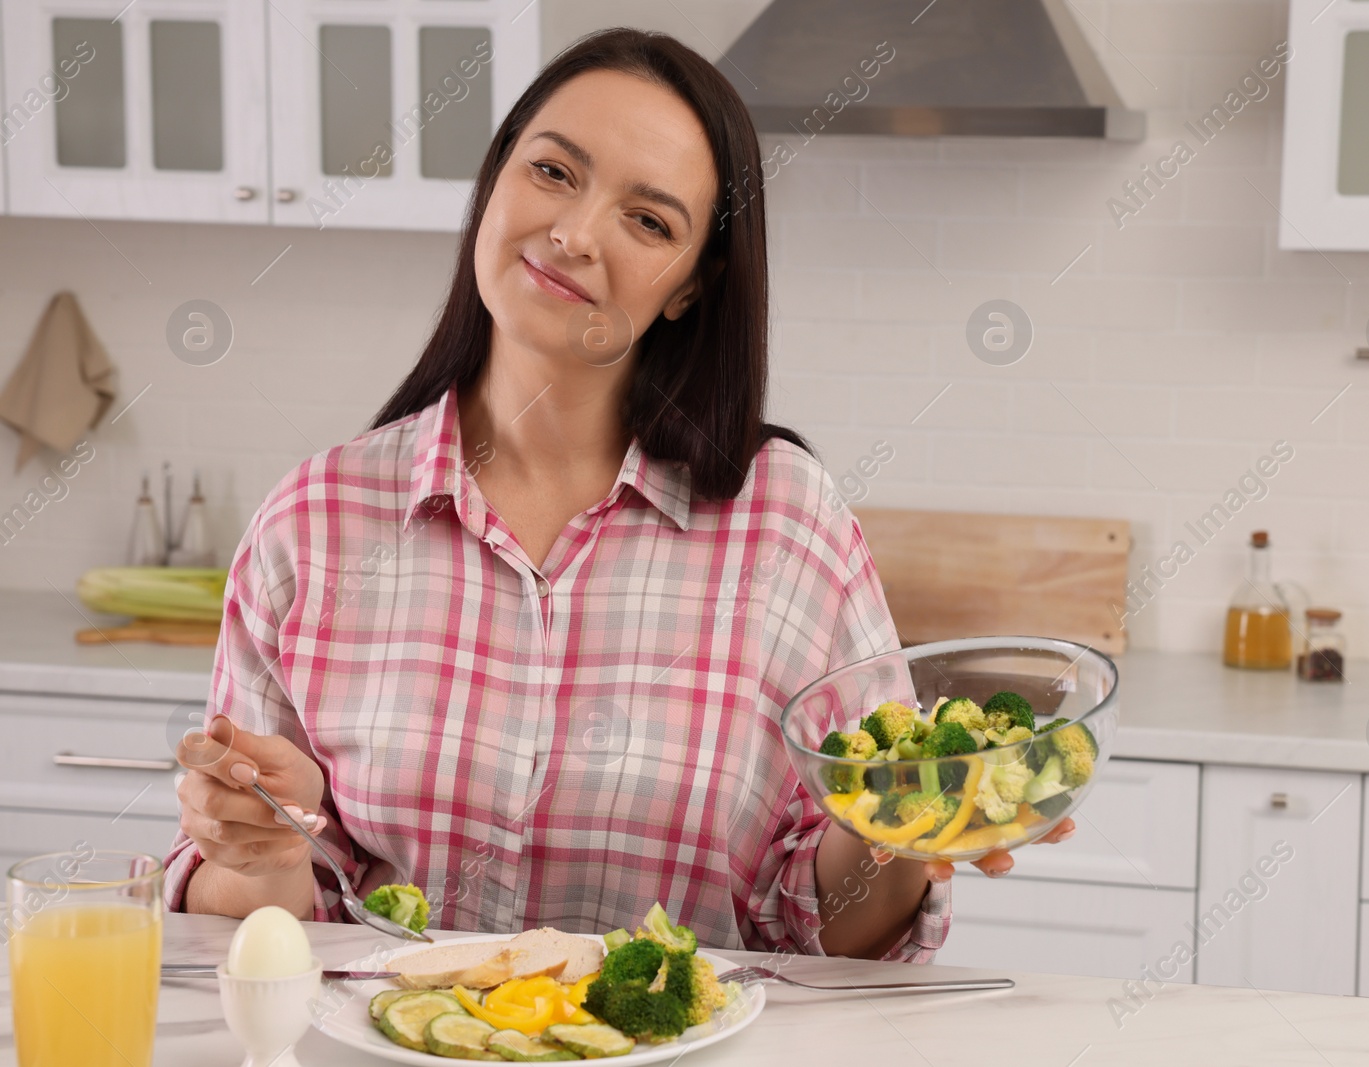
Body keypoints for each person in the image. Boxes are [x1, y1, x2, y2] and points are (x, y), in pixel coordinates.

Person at [166, 27, 1072, 962]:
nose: (576, 233)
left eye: (649, 221)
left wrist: (907, 829)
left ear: (690, 287)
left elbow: (835, 935)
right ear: (495, 180)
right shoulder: (315, 522)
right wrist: (257, 849)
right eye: (554, 172)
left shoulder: (787, 526)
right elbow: (264, 933)